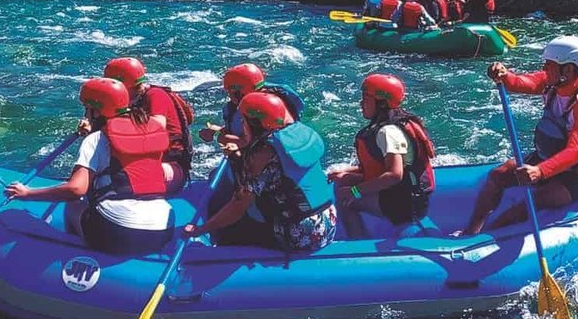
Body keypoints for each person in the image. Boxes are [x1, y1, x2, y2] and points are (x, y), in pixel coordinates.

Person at [457, 35, 578, 237]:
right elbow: (523, 82)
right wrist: (504, 75)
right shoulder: (552, 83)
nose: (545, 68)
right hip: (550, 157)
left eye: (549, 64)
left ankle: (486, 241)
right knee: (498, 176)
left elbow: (575, 151)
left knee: (532, 203)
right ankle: (470, 233)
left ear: (567, 69)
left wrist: (540, 171)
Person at [6, 78, 176, 255]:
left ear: (96, 110)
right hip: (164, 229)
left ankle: (76, 256)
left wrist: (27, 194)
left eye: (87, 108)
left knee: (73, 204)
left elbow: (76, 189)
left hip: (121, 231)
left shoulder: (96, 140)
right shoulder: (149, 129)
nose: (85, 114)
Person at [184, 91, 338, 254]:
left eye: (243, 121)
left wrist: (200, 229)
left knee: (233, 229)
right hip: (328, 221)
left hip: (301, 235)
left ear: (255, 124)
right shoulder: (300, 133)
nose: (242, 127)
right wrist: (237, 156)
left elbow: (238, 206)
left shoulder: (263, 154)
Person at [328, 73, 437, 229]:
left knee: (344, 201)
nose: (361, 103)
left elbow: (394, 175)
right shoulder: (396, 123)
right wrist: (344, 172)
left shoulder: (387, 132)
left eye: (366, 99)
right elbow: (380, 167)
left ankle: (359, 244)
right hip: (407, 196)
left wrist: (355, 191)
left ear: (382, 104)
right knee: (342, 180)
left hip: (405, 204)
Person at [96, 56, 194, 192]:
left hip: (171, 167)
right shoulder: (131, 101)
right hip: (145, 165)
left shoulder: (155, 95)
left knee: (112, 179)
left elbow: (157, 128)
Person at [199, 62, 306, 149]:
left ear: (240, 91)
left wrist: (217, 135)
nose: (229, 96)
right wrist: (219, 130)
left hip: (268, 159)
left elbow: (247, 142)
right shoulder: (277, 98)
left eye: (230, 91)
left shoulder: (259, 107)